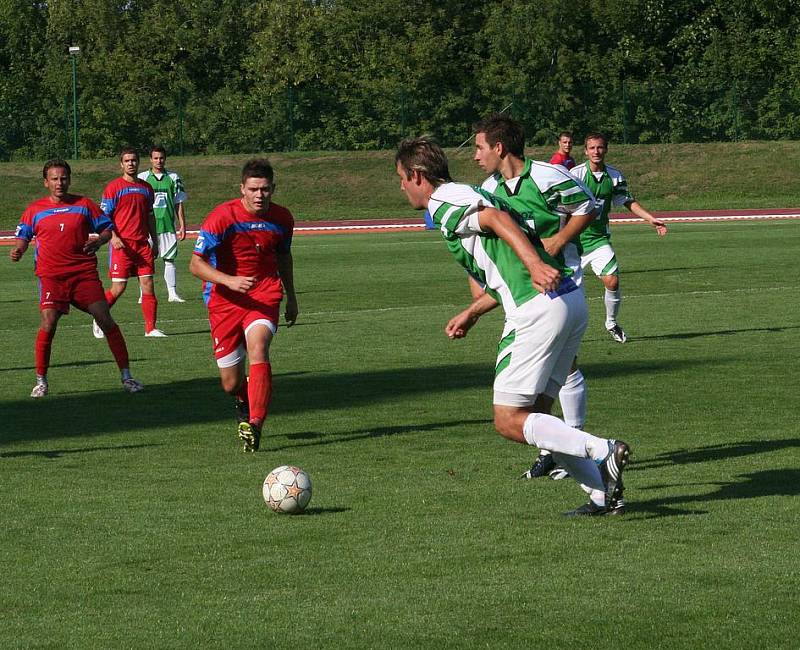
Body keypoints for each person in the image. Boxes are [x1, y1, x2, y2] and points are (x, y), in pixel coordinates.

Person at [395, 136, 630, 515]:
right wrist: (473, 311)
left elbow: (495, 218)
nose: (401, 186)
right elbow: (502, 260)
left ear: (417, 175)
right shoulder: (469, 191)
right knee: (536, 414)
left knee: (507, 421)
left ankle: (603, 450)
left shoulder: (443, 200)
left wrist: (535, 265)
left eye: (402, 178)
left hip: (537, 307)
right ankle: (602, 495)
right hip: (567, 300)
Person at [472, 114, 607, 501]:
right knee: (540, 395)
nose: (476, 155)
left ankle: (585, 446)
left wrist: (557, 240)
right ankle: (567, 454)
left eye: (481, 147)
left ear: (499, 148)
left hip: (560, 286)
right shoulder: (489, 188)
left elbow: (588, 207)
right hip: (529, 290)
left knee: (547, 384)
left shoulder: (548, 176)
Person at [189, 159, 298, 452]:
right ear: (242, 189)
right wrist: (229, 280)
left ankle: (256, 423)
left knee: (258, 348)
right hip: (224, 301)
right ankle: (243, 399)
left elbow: (284, 258)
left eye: (265, 189)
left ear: (273, 188)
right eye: (253, 189)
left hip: (264, 294)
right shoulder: (222, 217)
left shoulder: (282, 219)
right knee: (230, 382)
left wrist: (292, 297)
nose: (259, 195)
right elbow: (195, 264)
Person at [10, 159, 143, 397]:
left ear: (69, 180)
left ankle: (127, 376)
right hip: (51, 277)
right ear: (45, 182)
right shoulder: (34, 209)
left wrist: (100, 240)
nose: (59, 183)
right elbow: (23, 235)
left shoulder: (84, 205)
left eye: (63, 178)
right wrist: (19, 249)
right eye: (54, 178)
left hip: (83, 274)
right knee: (48, 322)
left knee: (105, 319)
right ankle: (41, 380)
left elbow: (106, 229)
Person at [570, 132, 668, 343]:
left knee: (612, 281)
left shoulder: (614, 176)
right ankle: (562, 332)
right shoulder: (575, 175)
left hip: (598, 240)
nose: (596, 151)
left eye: (600, 147)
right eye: (592, 148)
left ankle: (611, 323)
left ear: (606, 149)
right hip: (572, 242)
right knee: (568, 292)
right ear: (585, 151)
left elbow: (626, 200)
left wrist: (650, 219)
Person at [93, 147, 165, 338]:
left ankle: (150, 329)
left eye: (133, 160)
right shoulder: (113, 187)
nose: (131, 164)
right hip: (122, 245)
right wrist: (114, 237)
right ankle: (98, 317)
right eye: (127, 161)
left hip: (142, 245)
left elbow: (150, 218)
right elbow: (104, 217)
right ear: (121, 164)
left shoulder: (146, 188)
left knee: (148, 283)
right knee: (119, 287)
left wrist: (155, 241)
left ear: (138, 162)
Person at [137, 146, 188, 303]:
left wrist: (182, 225)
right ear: (150, 159)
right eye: (156, 158)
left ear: (165, 159)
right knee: (145, 262)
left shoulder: (173, 177)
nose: (159, 161)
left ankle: (172, 293)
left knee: (169, 259)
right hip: (146, 228)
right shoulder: (142, 177)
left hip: (167, 226)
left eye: (161, 158)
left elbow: (179, 202)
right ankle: (143, 294)